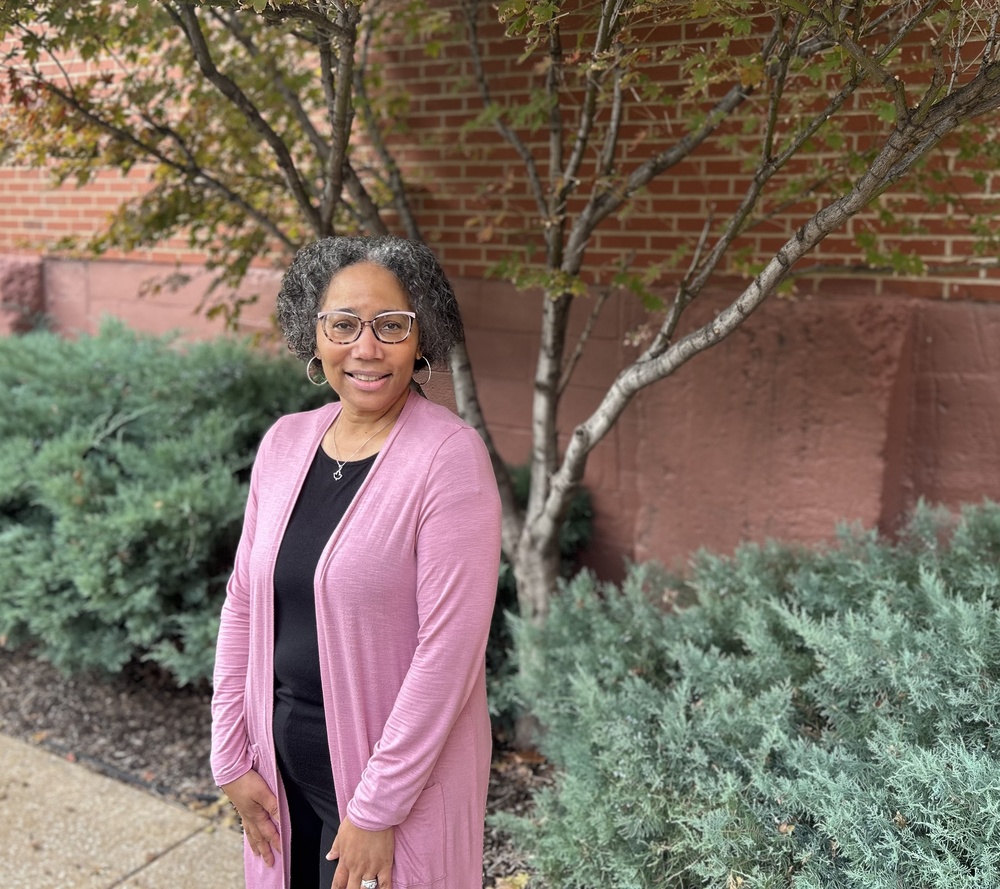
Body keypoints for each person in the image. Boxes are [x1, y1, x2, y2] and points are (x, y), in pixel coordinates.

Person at [210, 236, 502, 889]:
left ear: (422, 335)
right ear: (312, 336)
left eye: (390, 326)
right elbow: (244, 602)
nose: (365, 348)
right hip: (279, 779)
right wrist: (229, 754)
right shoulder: (285, 444)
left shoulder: (449, 460)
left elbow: (449, 654)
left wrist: (376, 809)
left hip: (394, 792)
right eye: (342, 324)